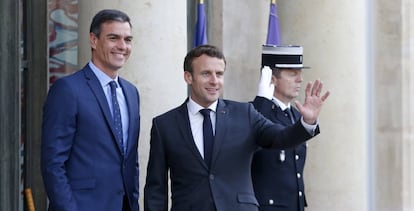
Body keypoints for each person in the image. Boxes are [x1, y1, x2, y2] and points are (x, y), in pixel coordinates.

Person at [144, 44, 329, 211]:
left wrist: (307, 123)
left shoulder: (245, 113)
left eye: (219, 74)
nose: (214, 81)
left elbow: (280, 137)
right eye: (206, 73)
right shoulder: (164, 125)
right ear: (188, 77)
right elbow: (156, 188)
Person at [41, 9, 140, 211]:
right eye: (113, 38)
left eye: (127, 39)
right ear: (93, 40)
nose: (122, 46)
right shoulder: (67, 90)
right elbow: (53, 164)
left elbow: (130, 161)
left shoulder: (131, 92)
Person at [251, 45, 312, 211]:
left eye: (300, 73)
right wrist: (261, 102)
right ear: (272, 78)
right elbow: (251, 135)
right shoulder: (256, 112)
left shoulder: (297, 115)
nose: (299, 79)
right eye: (292, 73)